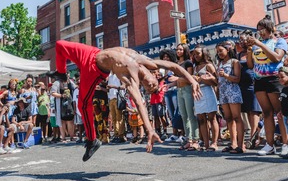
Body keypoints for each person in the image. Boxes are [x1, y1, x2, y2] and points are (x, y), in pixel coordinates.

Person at [47, 40, 201, 161]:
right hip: (92, 53)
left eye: (150, 89)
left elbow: (139, 102)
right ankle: (61, 73)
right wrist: (193, 82)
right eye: (153, 85)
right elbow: (173, 66)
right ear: (154, 74)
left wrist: (150, 130)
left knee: (83, 104)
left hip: (93, 70)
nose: (151, 86)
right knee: (60, 45)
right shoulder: (146, 61)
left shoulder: (131, 74)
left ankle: (92, 140)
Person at [246, 15, 288, 156]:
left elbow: (277, 57)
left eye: (262, 29)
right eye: (258, 30)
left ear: (269, 28)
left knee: (280, 112)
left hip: (274, 79)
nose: (260, 32)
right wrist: (249, 50)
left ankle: (285, 143)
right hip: (259, 80)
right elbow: (251, 65)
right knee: (267, 113)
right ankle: (269, 145)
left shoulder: (279, 41)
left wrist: (258, 44)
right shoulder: (257, 44)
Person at [216, 42, 245, 154]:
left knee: (237, 117)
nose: (219, 53)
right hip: (223, 92)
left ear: (227, 50)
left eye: (221, 51)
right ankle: (233, 143)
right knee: (228, 118)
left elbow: (237, 78)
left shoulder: (234, 62)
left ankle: (241, 144)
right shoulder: (219, 63)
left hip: (233, 90)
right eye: (218, 52)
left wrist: (226, 75)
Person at [236, 31, 262, 148]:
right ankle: (257, 134)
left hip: (253, 82)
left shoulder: (255, 49)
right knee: (247, 110)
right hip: (242, 85)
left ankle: (252, 138)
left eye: (243, 39)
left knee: (254, 111)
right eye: (240, 40)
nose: (241, 42)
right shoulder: (239, 54)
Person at [107, 72, 126, 143]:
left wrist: (113, 87)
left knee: (119, 117)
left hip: (118, 98)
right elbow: (108, 89)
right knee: (114, 118)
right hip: (111, 98)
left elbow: (124, 86)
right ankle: (116, 134)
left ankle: (121, 135)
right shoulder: (110, 77)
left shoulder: (120, 75)